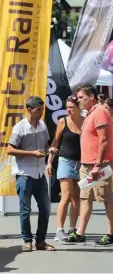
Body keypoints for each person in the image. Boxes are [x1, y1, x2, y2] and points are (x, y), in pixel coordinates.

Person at [68, 85, 113, 246]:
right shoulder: (90, 113)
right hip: (87, 164)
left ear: (91, 97)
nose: (78, 100)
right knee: (85, 198)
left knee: (106, 198)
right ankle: (80, 232)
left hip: (99, 165)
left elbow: (103, 140)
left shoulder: (100, 112)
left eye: (81, 97)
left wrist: (98, 164)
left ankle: (111, 234)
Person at [7, 96, 55, 252]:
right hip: (24, 174)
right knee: (25, 209)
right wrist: (31, 153)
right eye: (38, 109)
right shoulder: (19, 128)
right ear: (29, 109)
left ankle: (40, 241)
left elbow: (46, 146)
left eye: (42, 109)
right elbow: (10, 149)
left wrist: (50, 150)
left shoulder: (42, 125)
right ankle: (27, 240)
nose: (41, 112)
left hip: (40, 174)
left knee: (46, 209)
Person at [46, 95, 84, 243]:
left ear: (78, 107)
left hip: (81, 163)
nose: (68, 110)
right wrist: (49, 162)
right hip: (65, 161)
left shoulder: (85, 122)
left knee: (76, 198)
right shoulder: (63, 121)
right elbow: (55, 143)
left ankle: (72, 229)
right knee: (66, 195)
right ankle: (59, 230)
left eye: (71, 107)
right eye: (67, 107)